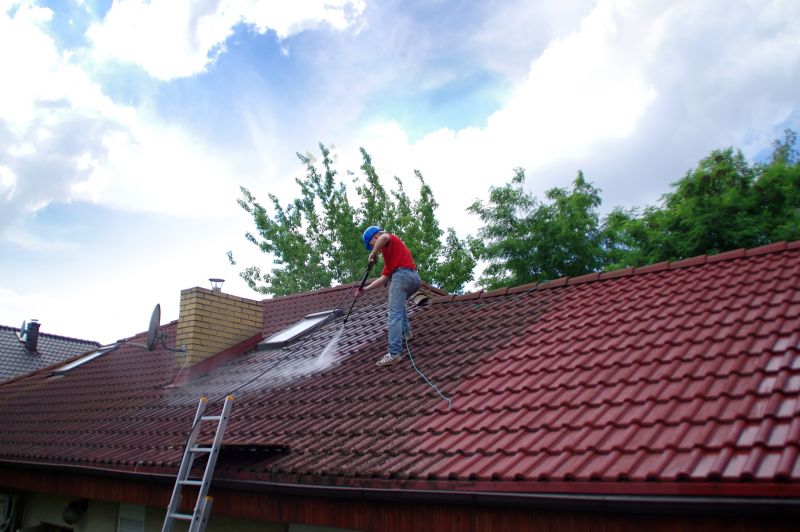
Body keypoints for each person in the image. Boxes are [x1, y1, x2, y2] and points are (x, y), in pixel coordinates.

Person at [358, 226, 421, 366]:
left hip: (402, 276)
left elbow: (384, 237)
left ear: (374, 238)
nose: (375, 247)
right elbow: (384, 278)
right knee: (399, 305)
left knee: (394, 314)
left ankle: (394, 353)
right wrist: (366, 289)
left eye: (372, 245)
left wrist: (373, 254)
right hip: (414, 279)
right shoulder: (389, 255)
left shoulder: (388, 238)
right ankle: (406, 333)